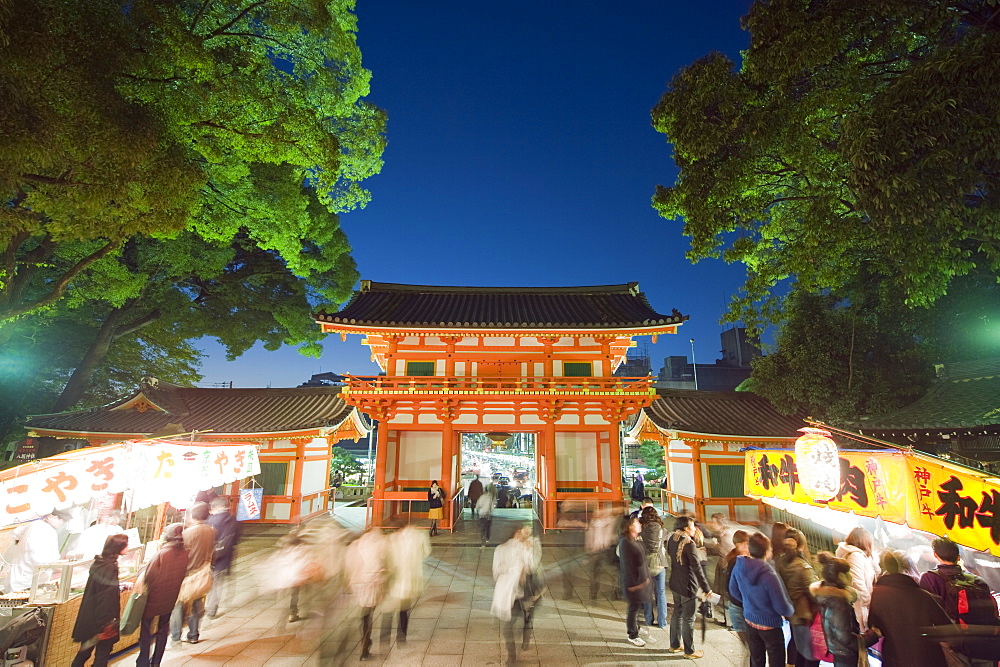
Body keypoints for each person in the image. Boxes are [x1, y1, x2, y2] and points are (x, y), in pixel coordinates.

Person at [918, 536, 1000, 664]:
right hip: (984, 643)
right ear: (958, 557)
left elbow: (928, 613)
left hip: (956, 644)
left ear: (935, 554)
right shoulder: (978, 581)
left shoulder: (929, 579)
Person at [869, 550, 949, 667]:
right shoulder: (922, 595)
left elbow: (874, 624)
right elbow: (946, 626)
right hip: (926, 656)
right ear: (908, 568)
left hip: (894, 656)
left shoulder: (877, 593)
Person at [729, 533, 794, 667]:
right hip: (770, 625)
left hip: (750, 620)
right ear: (766, 551)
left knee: (756, 659)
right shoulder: (769, 575)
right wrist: (791, 610)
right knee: (776, 660)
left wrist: (749, 603)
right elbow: (782, 607)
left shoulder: (739, 565)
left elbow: (733, 590)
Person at [71, 533, 129, 667]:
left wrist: (118, 587)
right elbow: (106, 598)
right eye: (126, 545)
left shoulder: (100, 562)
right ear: (118, 547)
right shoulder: (110, 567)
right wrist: (106, 623)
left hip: (90, 617)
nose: (128, 547)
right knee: (102, 654)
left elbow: (102, 589)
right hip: (103, 620)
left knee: (84, 652)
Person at [137, 523, 187, 667]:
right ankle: (156, 662)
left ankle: (143, 662)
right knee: (163, 629)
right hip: (170, 597)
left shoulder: (162, 553)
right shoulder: (184, 552)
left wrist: (142, 569)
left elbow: (149, 576)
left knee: (146, 631)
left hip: (154, 598)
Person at [491, 526, 543, 662]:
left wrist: (529, 549)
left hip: (525, 590)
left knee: (525, 617)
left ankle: (524, 638)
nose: (525, 534)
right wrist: (515, 572)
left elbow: (533, 565)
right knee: (508, 625)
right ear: (516, 532)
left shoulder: (528, 545)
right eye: (523, 531)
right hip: (511, 593)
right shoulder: (502, 549)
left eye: (528, 531)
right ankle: (512, 656)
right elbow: (496, 572)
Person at [666, 515, 713, 658]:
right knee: (688, 619)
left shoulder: (672, 538)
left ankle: (674, 645)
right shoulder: (688, 543)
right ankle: (689, 651)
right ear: (686, 528)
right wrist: (706, 588)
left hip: (675, 582)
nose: (695, 529)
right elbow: (696, 568)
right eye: (692, 526)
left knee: (677, 614)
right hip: (687, 585)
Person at [170, 501, 216, 646]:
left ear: (192, 515)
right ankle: (193, 634)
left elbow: (181, 553)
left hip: (186, 573)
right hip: (202, 572)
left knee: (178, 604)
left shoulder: (188, 533)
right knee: (196, 604)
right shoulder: (211, 530)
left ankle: (176, 635)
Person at [776, 527, 819, 667]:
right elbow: (813, 594)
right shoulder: (804, 567)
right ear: (801, 545)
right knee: (810, 653)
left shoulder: (780, 562)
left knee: (798, 645)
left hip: (791, 611)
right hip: (804, 615)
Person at [382, 524, 430, 644]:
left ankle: (385, 636)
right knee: (404, 608)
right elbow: (427, 552)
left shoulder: (392, 539)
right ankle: (402, 635)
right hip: (409, 579)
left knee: (389, 608)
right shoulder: (419, 536)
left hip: (395, 578)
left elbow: (386, 557)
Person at [810, 552, 860, 667]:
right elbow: (846, 638)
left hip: (838, 651)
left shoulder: (826, 595)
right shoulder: (838, 602)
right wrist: (871, 637)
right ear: (841, 576)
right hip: (845, 654)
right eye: (849, 572)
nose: (851, 575)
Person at [6, 509, 72, 592]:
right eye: (62, 520)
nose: (62, 523)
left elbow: (16, 533)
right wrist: (61, 567)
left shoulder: (34, 524)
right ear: (52, 517)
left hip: (21, 578)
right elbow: (41, 560)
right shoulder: (44, 530)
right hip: (28, 582)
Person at [349, 527, 386, 660]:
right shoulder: (379, 543)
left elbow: (350, 566)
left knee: (366, 613)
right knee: (368, 614)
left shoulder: (355, 545)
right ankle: (365, 646)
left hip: (359, 584)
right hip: (371, 583)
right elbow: (381, 564)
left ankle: (365, 641)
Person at [835, 526, 879, 629]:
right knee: (862, 636)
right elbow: (856, 582)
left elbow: (877, 571)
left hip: (860, 604)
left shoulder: (862, 556)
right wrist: (868, 601)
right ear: (865, 542)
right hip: (859, 605)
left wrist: (873, 557)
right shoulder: (855, 556)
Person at [618, 514, 651, 647]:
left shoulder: (635, 539)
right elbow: (628, 565)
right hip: (634, 583)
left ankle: (636, 627)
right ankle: (633, 634)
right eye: (636, 523)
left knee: (638, 606)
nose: (640, 524)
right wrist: (634, 583)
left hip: (641, 581)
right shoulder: (626, 542)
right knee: (634, 607)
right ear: (629, 526)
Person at [205, 497, 241, 619]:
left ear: (216, 508)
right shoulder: (233, 520)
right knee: (217, 583)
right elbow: (236, 539)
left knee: (210, 582)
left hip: (210, 556)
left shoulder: (210, 521)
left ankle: (207, 606)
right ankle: (212, 608)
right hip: (226, 556)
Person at [714, 529, 749, 646]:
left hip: (736, 604)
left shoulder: (734, 557)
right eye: (747, 544)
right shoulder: (737, 561)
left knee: (750, 648)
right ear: (739, 545)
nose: (749, 547)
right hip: (740, 606)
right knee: (751, 646)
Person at [639, 505, 667, 632]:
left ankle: (648, 619)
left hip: (645, 563)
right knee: (660, 593)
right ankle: (662, 621)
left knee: (647, 593)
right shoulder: (661, 528)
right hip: (660, 562)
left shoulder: (641, 527)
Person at [586, 507, 621, 599]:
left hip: (600, 550)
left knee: (596, 573)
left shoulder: (597, 524)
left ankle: (593, 593)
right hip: (606, 550)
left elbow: (589, 538)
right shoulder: (611, 522)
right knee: (612, 572)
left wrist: (589, 550)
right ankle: (613, 592)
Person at [476, 482, 497, 546]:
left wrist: (478, 509)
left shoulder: (481, 497)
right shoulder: (490, 497)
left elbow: (477, 505)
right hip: (488, 514)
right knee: (488, 527)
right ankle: (487, 538)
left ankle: (482, 537)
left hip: (482, 514)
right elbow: (492, 507)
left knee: (482, 527)